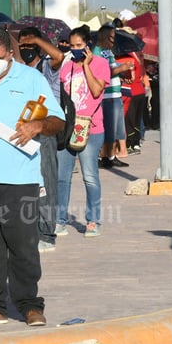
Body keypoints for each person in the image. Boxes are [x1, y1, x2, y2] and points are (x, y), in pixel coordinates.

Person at [0, 27, 65, 328]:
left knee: (23, 247)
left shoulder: (31, 79)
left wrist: (38, 126)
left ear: (9, 54)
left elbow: (58, 121)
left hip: (20, 179)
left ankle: (30, 305)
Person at [56, 27, 111, 238]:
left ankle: (92, 220)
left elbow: (97, 91)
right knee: (63, 177)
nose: (75, 50)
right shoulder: (66, 67)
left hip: (91, 128)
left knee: (89, 176)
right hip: (68, 128)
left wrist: (86, 65)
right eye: (72, 46)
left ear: (88, 45)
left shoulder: (100, 64)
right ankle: (59, 220)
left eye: (80, 45)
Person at [16, 26, 65, 252]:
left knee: (46, 181)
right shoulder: (18, 72)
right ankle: (30, 228)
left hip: (45, 130)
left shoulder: (46, 66)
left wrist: (38, 39)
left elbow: (59, 56)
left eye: (30, 46)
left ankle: (46, 232)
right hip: (24, 131)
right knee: (29, 182)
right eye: (22, 46)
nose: (26, 50)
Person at [95, 25, 134, 168]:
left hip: (116, 93)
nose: (113, 41)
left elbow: (112, 68)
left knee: (116, 128)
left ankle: (111, 155)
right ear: (104, 37)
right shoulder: (97, 52)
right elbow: (102, 73)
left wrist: (123, 71)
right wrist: (121, 68)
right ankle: (104, 157)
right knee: (109, 127)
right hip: (107, 95)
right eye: (111, 37)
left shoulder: (109, 52)